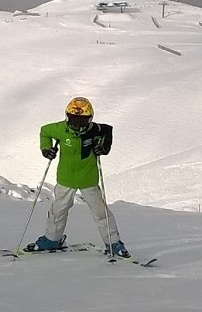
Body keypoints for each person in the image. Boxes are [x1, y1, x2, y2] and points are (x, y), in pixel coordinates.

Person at [29, 97, 128, 257]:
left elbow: (108, 130)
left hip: (88, 179)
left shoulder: (95, 129)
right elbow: (44, 131)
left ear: (89, 119)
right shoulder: (59, 129)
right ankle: (52, 239)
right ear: (67, 116)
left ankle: (113, 243)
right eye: (73, 119)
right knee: (58, 211)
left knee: (101, 213)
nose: (77, 125)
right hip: (65, 179)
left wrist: (104, 147)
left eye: (82, 121)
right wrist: (46, 149)